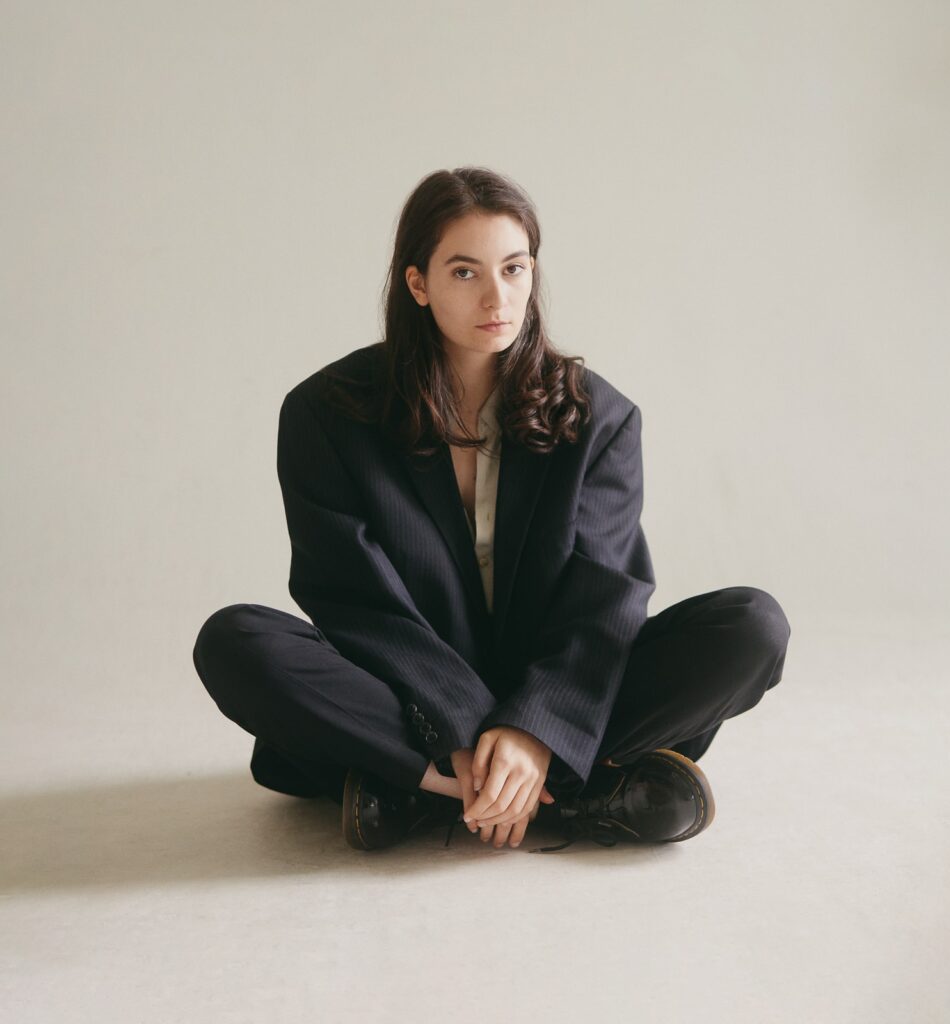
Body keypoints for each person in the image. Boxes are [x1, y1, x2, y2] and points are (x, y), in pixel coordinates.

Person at [192, 166, 791, 854]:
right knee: (235, 640)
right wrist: (461, 724)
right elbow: (353, 597)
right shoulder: (326, 414)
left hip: (559, 681)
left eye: (514, 268)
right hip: (408, 689)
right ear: (418, 283)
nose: (497, 297)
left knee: (752, 626)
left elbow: (604, 598)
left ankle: (414, 788)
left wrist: (536, 728)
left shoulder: (600, 418)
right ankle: (567, 789)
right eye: (465, 272)